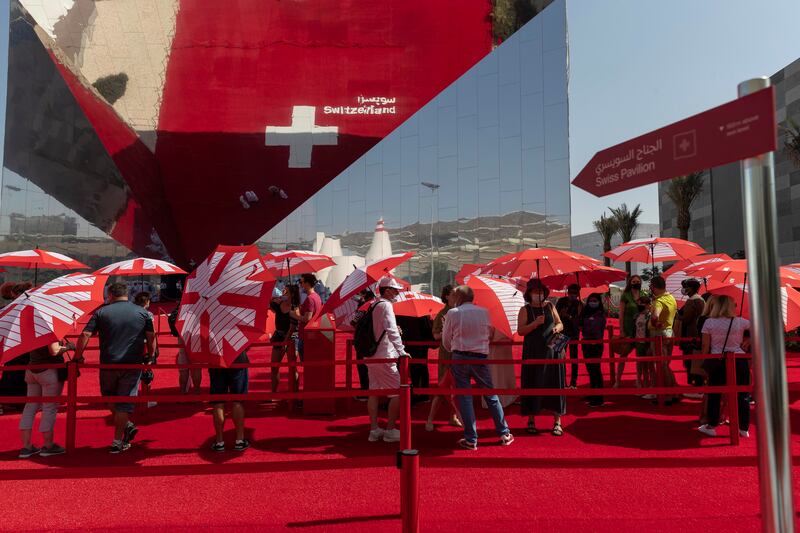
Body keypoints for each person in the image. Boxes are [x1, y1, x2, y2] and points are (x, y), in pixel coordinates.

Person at [74, 282, 155, 453]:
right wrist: (151, 356)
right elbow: (151, 336)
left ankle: (125, 428)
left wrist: (78, 356)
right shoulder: (142, 313)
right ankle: (118, 440)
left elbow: (86, 334)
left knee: (109, 398)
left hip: (108, 363)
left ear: (110, 295)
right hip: (132, 364)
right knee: (124, 403)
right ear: (127, 294)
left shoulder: (101, 312)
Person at [443, 285, 513, 450]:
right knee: (491, 395)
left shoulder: (453, 313)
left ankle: (471, 438)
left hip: (459, 357)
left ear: (459, 297)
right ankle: (504, 433)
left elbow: (446, 341)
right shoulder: (484, 312)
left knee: (465, 398)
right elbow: (489, 334)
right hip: (480, 357)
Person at [698, 295, 751, 438]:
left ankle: (712, 425)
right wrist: (749, 340)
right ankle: (744, 428)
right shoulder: (740, 321)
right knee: (743, 394)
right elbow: (760, 326)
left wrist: (704, 362)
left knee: (715, 394)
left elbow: (705, 345)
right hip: (739, 359)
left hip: (717, 359)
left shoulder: (709, 322)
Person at [518, 279, 566, 436]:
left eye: (541, 291)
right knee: (533, 382)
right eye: (535, 291)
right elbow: (521, 331)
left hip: (552, 351)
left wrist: (556, 328)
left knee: (555, 383)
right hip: (533, 351)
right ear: (529, 293)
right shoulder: (525, 309)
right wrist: (535, 324)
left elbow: (560, 323)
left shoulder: (550, 306)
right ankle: (531, 418)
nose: (538, 294)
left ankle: (557, 421)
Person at [366, 277, 408, 443]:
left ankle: (374, 429)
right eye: (395, 289)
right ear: (388, 290)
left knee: (374, 392)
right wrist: (402, 351)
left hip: (372, 355)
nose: (397, 292)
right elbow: (391, 330)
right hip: (384, 355)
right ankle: (390, 429)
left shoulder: (374, 304)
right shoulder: (386, 305)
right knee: (397, 392)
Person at [18, 340, 72, 458]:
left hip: (32, 369)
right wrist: (68, 347)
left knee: (30, 407)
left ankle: (26, 446)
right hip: (49, 371)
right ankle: (48, 445)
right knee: (49, 407)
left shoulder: (31, 329)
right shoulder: (49, 329)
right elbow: (54, 350)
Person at [426, 285, 462, 431]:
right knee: (442, 389)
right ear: (446, 296)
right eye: (454, 294)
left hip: (460, 355)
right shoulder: (442, 314)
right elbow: (435, 336)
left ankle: (453, 417)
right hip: (447, 355)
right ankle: (429, 419)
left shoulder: (461, 313)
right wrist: (448, 331)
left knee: (458, 390)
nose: (457, 297)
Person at [209, 351, 251, 451]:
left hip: (216, 361)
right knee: (238, 401)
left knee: (218, 402)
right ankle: (239, 440)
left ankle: (219, 442)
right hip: (237, 359)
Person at [649, 276, 679, 404]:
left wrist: (654, 323)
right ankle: (673, 392)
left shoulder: (658, 301)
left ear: (654, 287)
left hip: (659, 334)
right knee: (666, 365)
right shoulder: (671, 298)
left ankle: (667, 395)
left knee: (662, 366)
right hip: (669, 332)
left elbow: (655, 316)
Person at [396, 313, 433, 406]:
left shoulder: (398, 311)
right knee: (420, 368)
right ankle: (420, 393)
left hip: (407, 343)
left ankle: (415, 393)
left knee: (410, 369)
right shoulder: (419, 312)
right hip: (419, 344)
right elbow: (427, 329)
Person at [613, 275, 643, 388]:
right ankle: (617, 380)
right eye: (633, 281)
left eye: (638, 281)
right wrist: (621, 330)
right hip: (628, 329)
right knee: (623, 354)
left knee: (640, 356)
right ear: (630, 283)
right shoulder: (625, 296)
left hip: (641, 330)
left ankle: (638, 380)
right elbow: (621, 314)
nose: (636, 283)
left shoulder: (644, 295)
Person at [677, 279, 705, 395]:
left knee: (691, 361)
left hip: (690, 334)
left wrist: (678, 316)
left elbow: (687, 319)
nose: (684, 289)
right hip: (698, 333)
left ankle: (695, 386)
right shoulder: (701, 300)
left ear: (692, 288)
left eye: (686, 286)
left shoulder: (692, 301)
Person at [270, 285, 299, 394]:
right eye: (283, 291)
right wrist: (274, 299)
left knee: (292, 368)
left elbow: (292, 327)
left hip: (292, 338)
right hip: (279, 335)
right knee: (274, 366)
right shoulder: (278, 304)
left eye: (286, 292)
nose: (283, 293)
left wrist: (285, 342)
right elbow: (269, 304)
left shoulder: (295, 308)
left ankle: (294, 394)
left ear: (292, 294)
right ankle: (273, 393)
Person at [579, 293, 607, 407]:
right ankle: (592, 392)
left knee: (596, 370)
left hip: (596, 344)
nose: (593, 302)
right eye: (591, 300)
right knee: (590, 370)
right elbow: (579, 326)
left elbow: (594, 328)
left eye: (595, 300)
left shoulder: (600, 314)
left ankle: (599, 398)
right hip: (586, 344)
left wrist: (585, 324)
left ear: (599, 302)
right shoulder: (584, 312)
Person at [169, 303, 202, 395]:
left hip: (182, 334)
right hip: (196, 335)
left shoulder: (182, 303)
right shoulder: (199, 303)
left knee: (183, 366)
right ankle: (196, 391)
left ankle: (183, 391)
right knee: (196, 367)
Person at [555, 284, 583, 388]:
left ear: (578, 293)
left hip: (574, 334)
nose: (572, 295)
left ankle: (573, 382)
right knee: (559, 358)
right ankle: (561, 381)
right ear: (567, 291)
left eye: (575, 293)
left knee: (574, 358)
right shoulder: (561, 301)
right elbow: (555, 316)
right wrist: (561, 314)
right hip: (560, 333)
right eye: (571, 292)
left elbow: (579, 322)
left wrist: (569, 316)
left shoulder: (580, 304)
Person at [134, 292, 158, 408]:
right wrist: (152, 353)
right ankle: (146, 399)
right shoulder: (148, 314)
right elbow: (151, 333)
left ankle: (133, 398)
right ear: (146, 302)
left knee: (133, 374)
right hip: (145, 345)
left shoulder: (132, 313)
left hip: (133, 345)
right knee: (147, 372)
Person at [350, 289, 376, 394]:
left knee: (362, 365)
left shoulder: (363, 308)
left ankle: (365, 389)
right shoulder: (378, 306)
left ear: (364, 296)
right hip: (375, 340)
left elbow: (353, 322)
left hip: (363, 340)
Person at [291, 274, 323, 361]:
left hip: (306, 336)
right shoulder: (316, 296)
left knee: (307, 365)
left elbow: (307, 319)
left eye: (301, 282)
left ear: (307, 283)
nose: (300, 284)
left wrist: (292, 314)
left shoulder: (310, 298)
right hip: (310, 335)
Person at [634, 295, 656, 398]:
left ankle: (651, 387)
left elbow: (651, 331)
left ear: (647, 305)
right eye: (638, 303)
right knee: (641, 366)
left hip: (647, 343)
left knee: (650, 366)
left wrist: (650, 345)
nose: (640, 305)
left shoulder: (650, 316)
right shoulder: (636, 315)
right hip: (639, 343)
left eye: (642, 303)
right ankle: (642, 386)